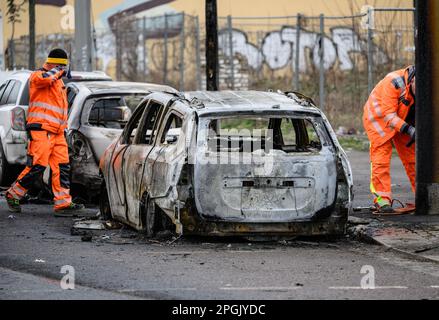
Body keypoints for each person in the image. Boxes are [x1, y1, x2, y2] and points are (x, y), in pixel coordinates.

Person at [5, 48, 84, 216]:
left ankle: (63, 203)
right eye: (62, 66)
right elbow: (45, 80)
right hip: (41, 131)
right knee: (37, 166)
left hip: (57, 133)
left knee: (62, 167)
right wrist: (58, 70)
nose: (64, 70)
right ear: (56, 65)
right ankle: (13, 194)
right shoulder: (38, 76)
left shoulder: (59, 82)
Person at [363, 65, 416, 213]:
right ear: (412, 81)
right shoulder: (393, 82)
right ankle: (382, 200)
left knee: (413, 158)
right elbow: (389, 116)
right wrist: (411, 130)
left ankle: (423, 195)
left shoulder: (428, 85)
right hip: (378, 119)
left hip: (402, 118)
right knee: (381, 158)